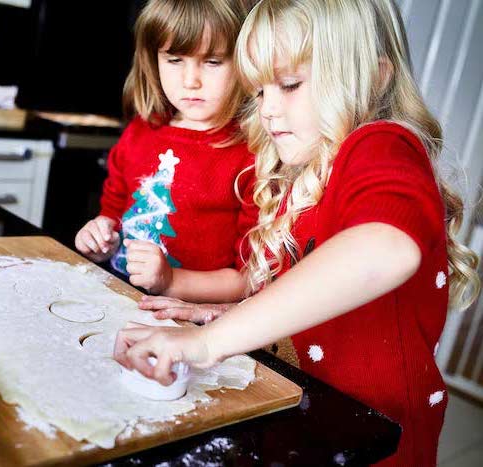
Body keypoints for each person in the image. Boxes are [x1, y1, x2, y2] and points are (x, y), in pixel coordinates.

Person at [114, 1, 481, 465]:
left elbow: (382, 250)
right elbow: (310, 316)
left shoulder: (381, 145)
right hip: (311, 425)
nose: (267, 111)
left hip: (374, 445)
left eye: (289, 85)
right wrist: (218, 314)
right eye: (259, 91)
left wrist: (206, 344)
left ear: (375, 76)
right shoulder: (308, 179)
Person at [74, 0, 258, 303]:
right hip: (117, 299)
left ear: (247, 62)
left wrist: (171, 281)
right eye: (174, 60)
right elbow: (113, 214)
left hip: (188, 327)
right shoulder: (140, 131)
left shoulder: (251, 155)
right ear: (152, 59)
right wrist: (101, 238)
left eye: (212, 61)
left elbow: (249, 279)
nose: (191, 81)